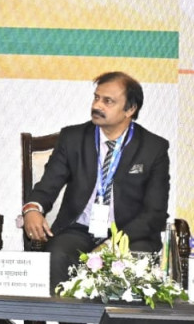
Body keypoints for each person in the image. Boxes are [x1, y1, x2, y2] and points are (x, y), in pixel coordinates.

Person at [22, 72, 170, 287]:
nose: (97, 105)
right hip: (80, 230)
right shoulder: (73, 138)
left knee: (133, 263)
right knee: (57, 254)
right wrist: (32, 209)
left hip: (129, 235)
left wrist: (113, 244)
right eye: (96, 98)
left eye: (108, 101)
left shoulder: (153, 148)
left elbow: (155, 213)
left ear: (130, 109)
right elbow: (48, 186)